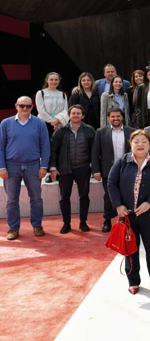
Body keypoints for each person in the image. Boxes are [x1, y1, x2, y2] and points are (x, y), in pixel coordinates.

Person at [108, 129, 150, 294]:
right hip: (128, 215)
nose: (140, 144)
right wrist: (118, 205)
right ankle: (133, 281)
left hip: (149, 214)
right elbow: (112, 183)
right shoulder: (122, 161)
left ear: (149, 144)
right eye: (136, 141)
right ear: (130, 144)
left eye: (144, 141)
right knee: (131, 248)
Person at [1, 96, 50, 240]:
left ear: (32, 107)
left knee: (36, 198)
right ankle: (13, 228)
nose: (24, 109)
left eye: (28, 106)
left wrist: (44, 166)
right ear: (16, 106)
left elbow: (45, 146)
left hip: (33, 165)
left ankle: (37, 225)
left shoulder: (39, 123)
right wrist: (1, 167)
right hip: (11, 166)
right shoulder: (6, 123)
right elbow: (0, 147)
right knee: (11, 200)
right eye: (22, 106)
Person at [49, 105, 95, 234]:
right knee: (64, 197)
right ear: (69, 115)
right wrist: (53, 168)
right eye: (73, 113)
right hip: (65, 169)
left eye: (78, 113)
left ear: (83, 115)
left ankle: (83, 222)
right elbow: (52, 150)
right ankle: (66, 223)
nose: (75, 115)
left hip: (83, 168)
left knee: (84, 196)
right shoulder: (61, 131)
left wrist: (94, 167)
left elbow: (95, 150)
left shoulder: (89, 130)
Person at [92, 109, 135, 232]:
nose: (115, 118)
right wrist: (96, 171)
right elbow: (95, 152)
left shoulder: (131, 131)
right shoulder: (101, 132)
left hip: (127, 169)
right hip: (107, 170)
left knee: (127, 195)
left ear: (122, 117)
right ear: (108, 118)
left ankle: (127, 220)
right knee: (109, 196)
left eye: (118, 116)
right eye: (113, 116)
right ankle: (107, 221)